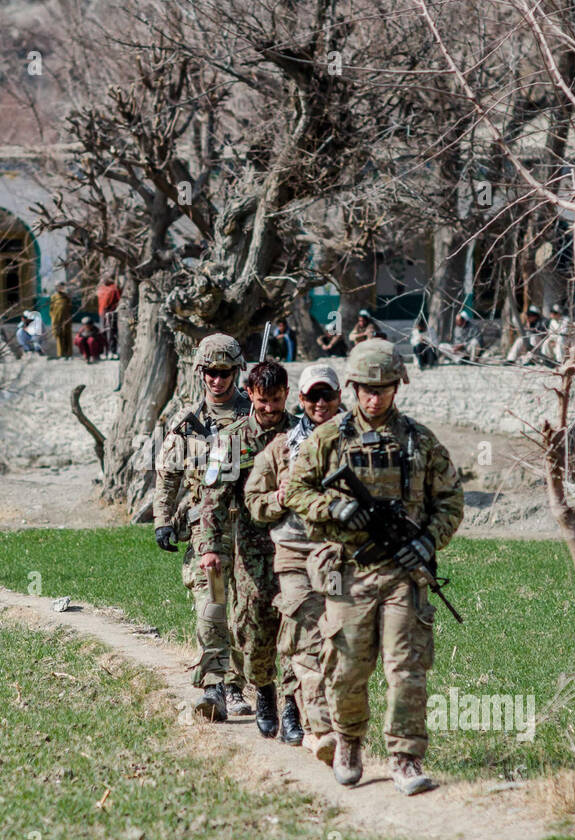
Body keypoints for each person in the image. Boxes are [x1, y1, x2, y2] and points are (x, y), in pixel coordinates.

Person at [286, 339, 464, 796]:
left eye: (383, 387)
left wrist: (426, 540)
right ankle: (348, 743)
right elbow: (294, 491)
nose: (374, 397)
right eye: (366, 388)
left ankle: (406, 756)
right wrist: (333, 509)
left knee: (406, 668)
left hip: (404, 574)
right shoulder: (328, 439)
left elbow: (449, 502)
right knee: (345, 668)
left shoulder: (420, 441)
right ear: (354, 387)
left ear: (396, 386)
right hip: (348, 572)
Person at [245, 363, 344, 762]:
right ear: (300, 400)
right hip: (294, 552)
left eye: (327, 395)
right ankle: (311, 723)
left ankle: (334, 719)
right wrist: (279, 500)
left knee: (341, 638)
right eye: (312, 396)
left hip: (341, 554)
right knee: (303, 632)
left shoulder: (359, 442)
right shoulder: (282, 447)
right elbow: (254, 501)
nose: (320, 403)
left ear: (339, 397)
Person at [197, 359, 301, 742]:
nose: (270, 409)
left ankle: (292, 705)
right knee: (255, 624)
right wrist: (210, 547)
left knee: (296, 622)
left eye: (276, 400)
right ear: (251, 396)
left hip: (297, 542)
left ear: (286, 394)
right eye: (262, 402)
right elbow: (214, 496)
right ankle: (265, 692)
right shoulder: (231, 439)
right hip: (252, 545)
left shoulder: (301, 434)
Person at [154, 333, 253, 723]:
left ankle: (237, 683)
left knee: (243, 613)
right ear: (200, 372)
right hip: (202, 531)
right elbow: (167, 475)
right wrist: (163, 521)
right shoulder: (188, 422)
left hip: (247, 528)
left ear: (236, 371)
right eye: (210, 372)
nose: (217, 380)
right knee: (210, 606)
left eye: (224, 372)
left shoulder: (254, 416)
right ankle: (213, 683)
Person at [97, 276, 121, 358]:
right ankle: (105, 351)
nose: (103, 280)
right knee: (103, 332)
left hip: (111, 312)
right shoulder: (101, 288)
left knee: (111, 332)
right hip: (102, 312)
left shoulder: (114, 288)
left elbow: (119, 300)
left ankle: (113, 351)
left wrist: (114, 310)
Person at [50, 284, 74, 359]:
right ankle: (61, 354)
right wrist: (54, 320)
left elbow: (70, 306)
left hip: (66, 319)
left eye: (61, 287)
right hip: (57, 320)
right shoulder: (53, 297)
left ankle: (69, 354)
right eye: (58, 287)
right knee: (59, 336)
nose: (60, 288)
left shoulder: (66, 296)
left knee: (67, 336)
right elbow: (51, 310)